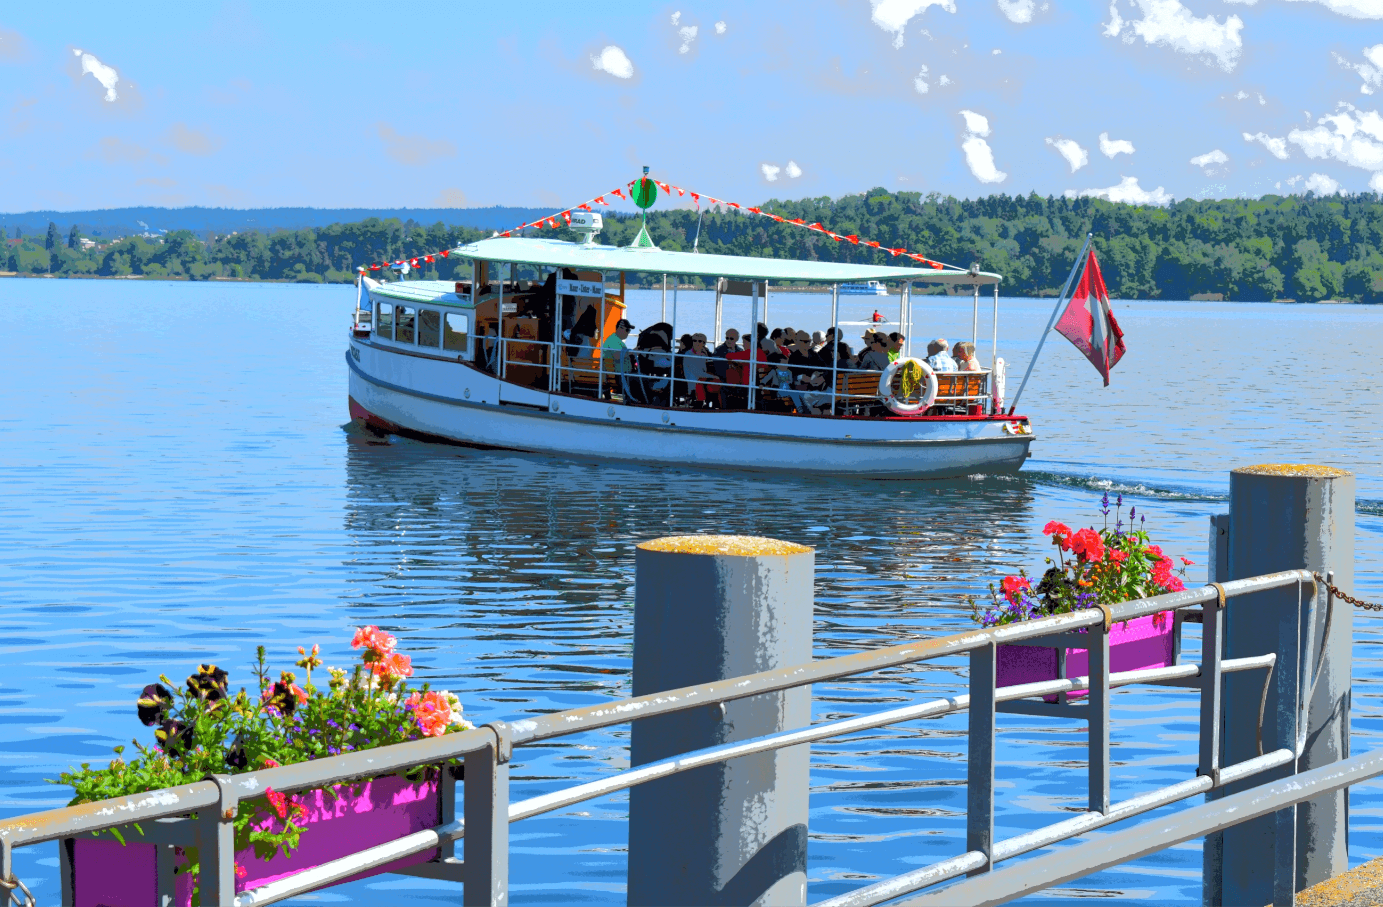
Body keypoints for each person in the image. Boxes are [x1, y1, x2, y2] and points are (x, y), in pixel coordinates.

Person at [602, 318, 634, 398]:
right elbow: (617, 356)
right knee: (644, 381)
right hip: (619, 378)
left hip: (620, 375)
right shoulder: (613, 340)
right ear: (620, 328)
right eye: (627, 330)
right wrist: (633, 351)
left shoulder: (616, 340)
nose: (628, 333)